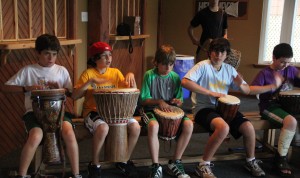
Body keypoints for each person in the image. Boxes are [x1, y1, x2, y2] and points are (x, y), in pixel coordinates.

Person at [181, 38, 265, 178]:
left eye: (222, 52)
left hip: (225, 108)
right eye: (215, 51)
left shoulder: (229, 69)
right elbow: (185, 82)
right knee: (223, 128)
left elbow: (246, 91)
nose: (218, 55)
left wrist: (240, 83)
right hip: (203, 108)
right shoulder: (202, 66)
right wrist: (209, 92)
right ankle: (203, 164)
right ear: (210, 53)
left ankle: (250, 161)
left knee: (249, 128)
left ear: (226, 55)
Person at [2, 34, 81, 178]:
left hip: (58, 113)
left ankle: (76, 174)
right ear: (38, 53)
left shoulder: (61, 70)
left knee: (69, 133)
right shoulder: (28, 70)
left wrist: (60, 89)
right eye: (46, 54)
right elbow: (5, 88)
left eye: (54, 54)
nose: (50, 58)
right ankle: (22, 175)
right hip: (34, 113)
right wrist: (27, 88)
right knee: (36, 136)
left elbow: (72, 94)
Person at [72, 42, 140, 178]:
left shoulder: (115, 73)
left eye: (110, 55)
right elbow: (74, 96)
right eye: (104, 56)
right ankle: (95, 164)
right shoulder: (88, 73)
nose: (108, 59)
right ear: (95, 59)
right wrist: (89, 83)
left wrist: (131, 75)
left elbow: (131, 92)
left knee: (135, 127)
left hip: (116, 112)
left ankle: (124, 160)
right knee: (103, 128)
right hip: (93, 112)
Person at [140, 44, 193, 178]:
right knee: (153, 126)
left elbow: (180, 99)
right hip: (150, 110)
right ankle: (155, 165)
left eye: (171, 64)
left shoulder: (175, 77)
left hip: (170, 110)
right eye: (164, 64)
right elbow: (144, 100)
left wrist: (177, 101)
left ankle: (176, 161)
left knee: (189, 124)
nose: (168, 68)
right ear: (156, 63)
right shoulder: (149, 75)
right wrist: (159, 101)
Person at [249, 43, 298, 177]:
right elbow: (251, 90)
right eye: (282, 62)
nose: (285, 65)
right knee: (291, 122)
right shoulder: (264, 73)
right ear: (274, 58)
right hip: (268, 107)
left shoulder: (291, 70)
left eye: (288, 62)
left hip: (286, 107)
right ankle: (279, 159)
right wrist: (272, 85)